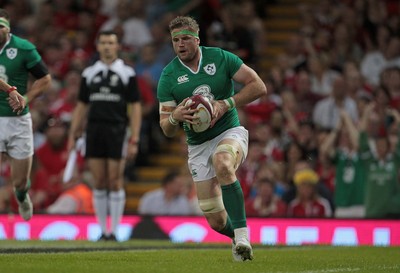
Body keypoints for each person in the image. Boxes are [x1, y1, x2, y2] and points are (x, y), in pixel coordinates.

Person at [157, 16, 267, 261]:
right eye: (176, 40)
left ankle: (242, 235)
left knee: (223, 162)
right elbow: (166, 127)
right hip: (197, 146)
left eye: (185, 38)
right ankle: (236, 238)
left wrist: (226, 104)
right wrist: (175, 117)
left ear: (197, 40)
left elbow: (258, 86)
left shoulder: (220, 58)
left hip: (229, 132)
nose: (180, 44)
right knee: (216, 221)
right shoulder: (168, 76)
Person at [68, 30, 142, 241]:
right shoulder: (89, 73)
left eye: (111, 43)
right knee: (99, 181)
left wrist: (134, 138)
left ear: (117, 46)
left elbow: (135, 106)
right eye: (104, 43)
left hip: (117, 129)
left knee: (115, 180)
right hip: (94, 130)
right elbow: (82, 105)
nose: (108, 46)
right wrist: (73, 134)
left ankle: (115, 231)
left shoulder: (127, 73)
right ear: (98, 46)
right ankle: (103, 231)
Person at [0, 9, 52, 221]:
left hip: (18, 120)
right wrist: (10, 90)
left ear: (8, 28)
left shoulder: (23, 48)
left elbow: (45, 79)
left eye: (0, 25)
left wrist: (25, 98)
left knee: (20, 182)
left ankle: (22, 197)